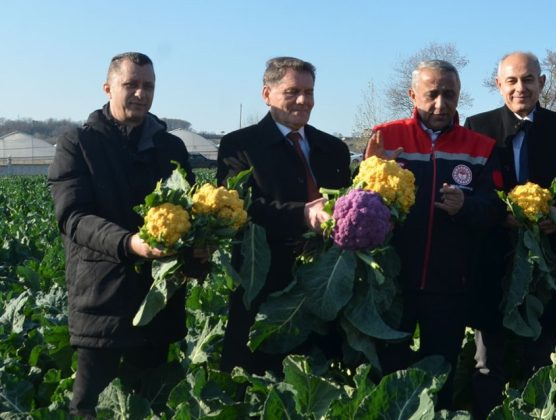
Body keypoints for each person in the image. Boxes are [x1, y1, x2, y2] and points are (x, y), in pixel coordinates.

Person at [48, 52, 198, 417]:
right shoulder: (78, 144)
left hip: (158, 299)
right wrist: (128, 243)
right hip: (102, 300)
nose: (140, 94)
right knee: (90, 407)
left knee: (151, 404)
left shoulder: (171, 148)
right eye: (130, 84)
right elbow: (74, 216)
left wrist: (200, 246)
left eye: (148, 86)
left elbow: (191, 211)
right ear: (108, 87)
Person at [365, 59, 505, 409]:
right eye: (432, 95)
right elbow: (357, 203)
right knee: (386, 373)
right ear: (413, 94)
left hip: (449, 285)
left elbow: (495, 209)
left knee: (437, 376)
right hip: (391, 281)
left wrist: (466, 207)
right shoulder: (385, 136)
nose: (441, 104)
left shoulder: (480, 147)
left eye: (450, 95)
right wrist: (367, 171)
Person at [464, 51, 556, 417]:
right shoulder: (478, 126)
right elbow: (472, 190)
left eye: (528, 79)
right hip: (496, 260)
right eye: (512, 81)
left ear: (542, 82)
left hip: (550, 262)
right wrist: (498, 215)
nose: (521, 88)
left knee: (545, 356)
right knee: (488, 358)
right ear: (499, 84)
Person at [217, 57, 351, 375]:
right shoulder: (240, 147)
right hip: (264, 285)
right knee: (257, 382)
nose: (304, 101)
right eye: (292, 92)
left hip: (323, 285)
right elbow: (240, 208)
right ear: (267, 94)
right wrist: (303, 216)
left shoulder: (334, 148)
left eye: (309, 92)